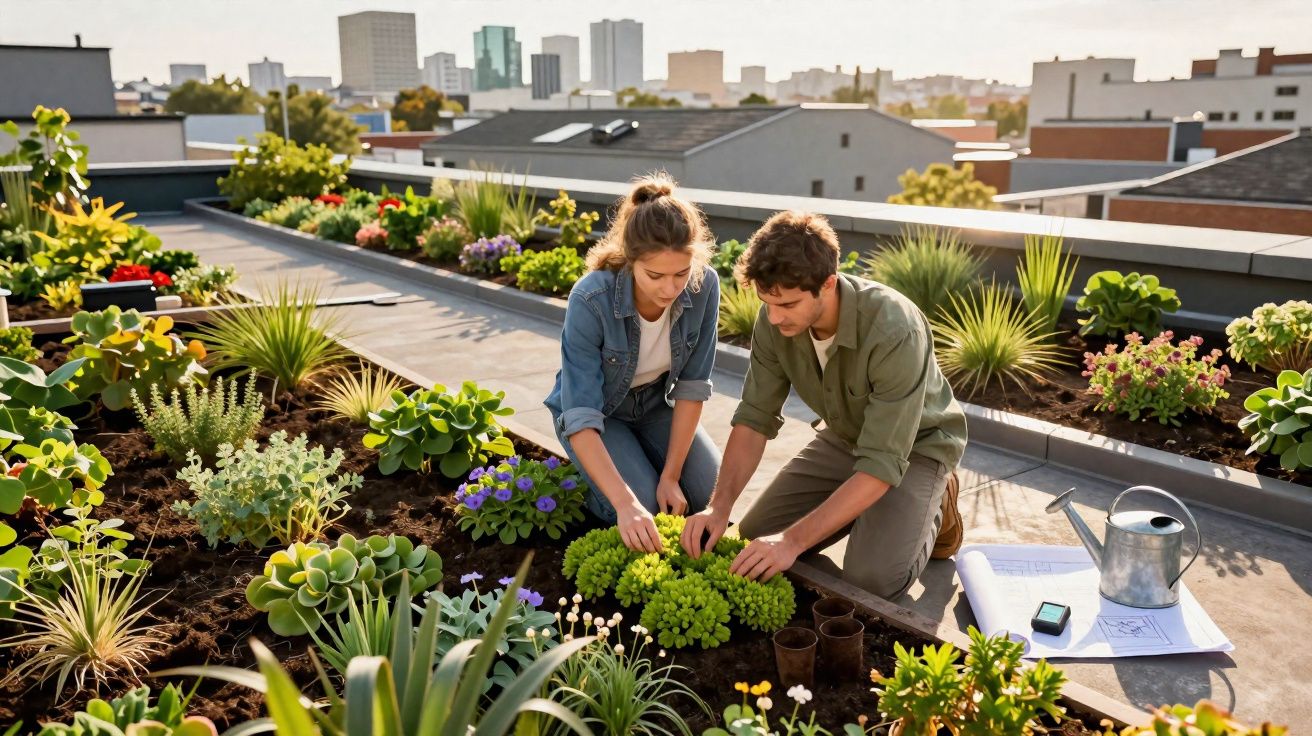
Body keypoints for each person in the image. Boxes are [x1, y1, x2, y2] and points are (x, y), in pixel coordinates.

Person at [679, 210, 968, 600]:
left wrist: (793, 541)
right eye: (767, 302)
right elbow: (754, 419)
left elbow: (882, 462)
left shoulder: (895, 328)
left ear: (828, 283)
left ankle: (938, 498)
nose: (775, 317)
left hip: (916, 446)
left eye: (789, 305)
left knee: (870, 581)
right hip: (846, 437)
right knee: (751, 543)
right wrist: (718, 507)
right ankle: (870, 512)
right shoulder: (774, 319)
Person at [545, 173, 722, 554]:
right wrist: (626, 505)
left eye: (681, 273)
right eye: (654, 275)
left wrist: (672, 475)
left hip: (656, 405)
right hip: (599, 415)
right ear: (630, 260)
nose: (670, 288)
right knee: (643, 508)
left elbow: (692, 387)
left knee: (708, 496)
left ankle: (645, 469)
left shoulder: (704, 284)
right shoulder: (591, 299)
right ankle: (590, 489)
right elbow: (580, 413)